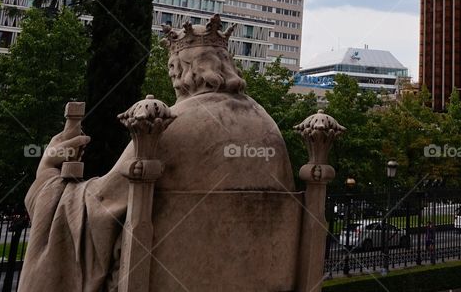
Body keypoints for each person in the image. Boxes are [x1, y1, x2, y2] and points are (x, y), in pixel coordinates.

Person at [18, 16, 295, 291]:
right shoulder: (267, 126)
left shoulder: (170, 124)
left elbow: (98, 207)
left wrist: (48, 175)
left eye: (173, 70)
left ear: (180, 71)